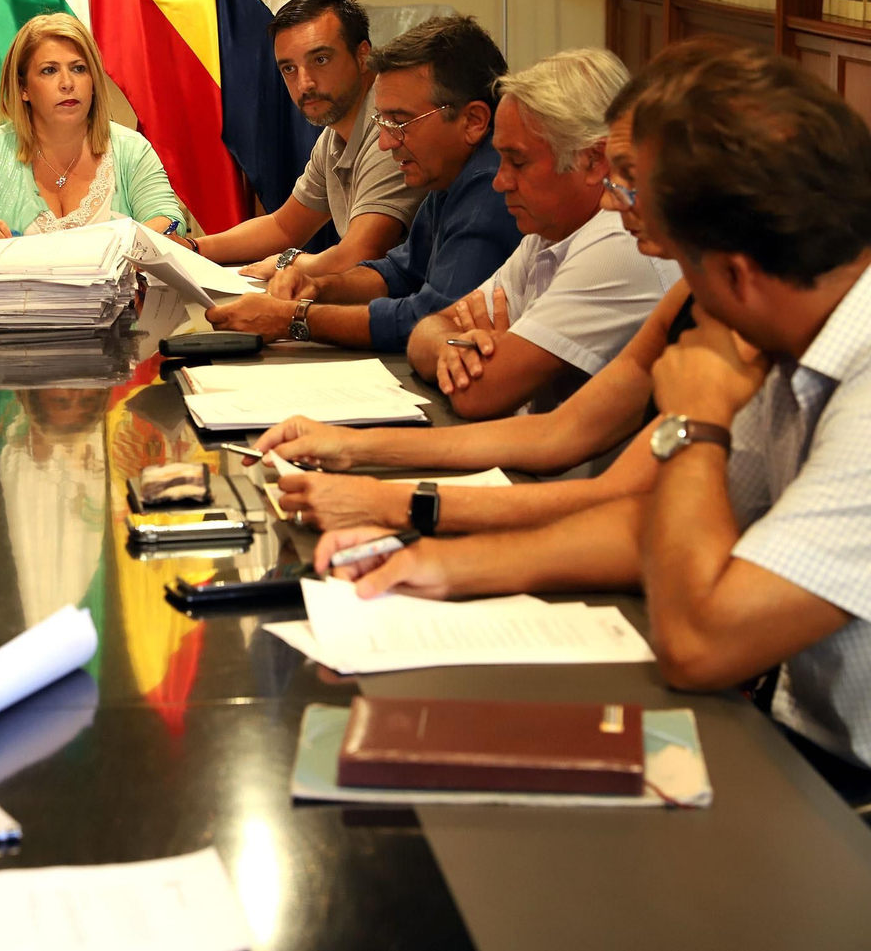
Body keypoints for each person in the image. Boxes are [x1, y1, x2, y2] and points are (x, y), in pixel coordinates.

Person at [322, 44, 871, 784]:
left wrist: (696, 422)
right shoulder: (784, 322)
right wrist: (437, 564)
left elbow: (698, 643)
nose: (618, 209)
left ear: (736, 273)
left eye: (636, 195)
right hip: (786, 737)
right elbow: (643, 520)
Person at [244, 43, 722, 535]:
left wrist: (389, 501)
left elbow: (615, 498)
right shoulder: (685, 291)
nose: (616, 198)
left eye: (631, 178)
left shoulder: (625, 246)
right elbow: (557, 430)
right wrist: (350, 448)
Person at [204, 17, 523, 350]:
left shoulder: (494, 183)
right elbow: (399, 271)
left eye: (400, 122)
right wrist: (319, 286)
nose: (385, 142)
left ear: (473, 121)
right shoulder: (449, 173)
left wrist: (293, 319)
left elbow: (435, 318)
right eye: (382, 121)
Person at [405, 47, 679, 418]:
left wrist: (485, 362)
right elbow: (427, 332)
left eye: (518, 162)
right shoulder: (549, 229)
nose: (500, 182)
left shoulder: (622, 242)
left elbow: (480, 394)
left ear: (593, 159)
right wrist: (456, 350)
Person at [186, 0, 425, 277]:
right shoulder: (335, 134)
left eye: (320, 60)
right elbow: (284, 227)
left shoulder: (388, 128)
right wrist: (192, 247)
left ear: (363, 55)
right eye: (289, 68)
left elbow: (359, 255)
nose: (304, 84)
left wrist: (285, 264)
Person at [0, 12, 183, 253]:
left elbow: (169, 219)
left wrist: (128, 242)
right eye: (49, 70)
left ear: (93, 83)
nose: (67, 84)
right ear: (23, 88)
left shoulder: (132, 148)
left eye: (79, 68)